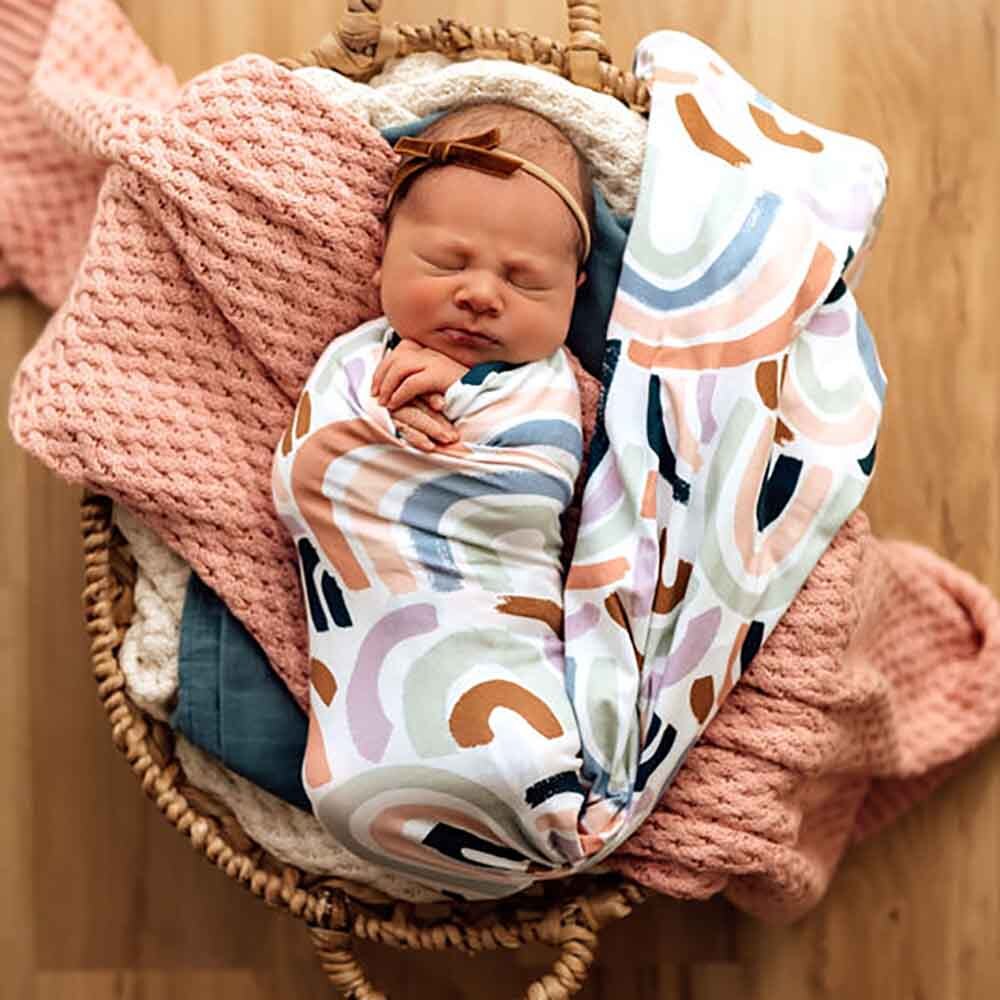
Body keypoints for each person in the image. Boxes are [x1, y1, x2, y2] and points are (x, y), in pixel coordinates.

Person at [273, 102, 618, 901]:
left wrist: (469, 394)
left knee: (511, 740)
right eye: (444, 262)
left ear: (573, 296)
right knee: (348, 785)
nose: (481, 294)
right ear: (382, 260)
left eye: (524, 280)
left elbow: (536, 480)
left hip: (503, 663)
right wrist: (373, 430)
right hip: (362, 703)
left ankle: (540, 806)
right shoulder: (352, 361)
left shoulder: (552, 385)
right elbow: (303, 474)